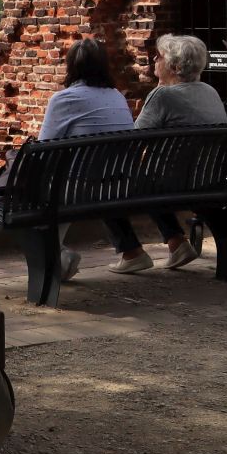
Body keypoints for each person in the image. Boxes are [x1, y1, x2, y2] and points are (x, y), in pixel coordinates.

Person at [104, 34, 223, 272]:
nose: (154, 60)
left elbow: (133, 142)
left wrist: (157, 92)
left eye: (158, 56)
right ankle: (176, 244)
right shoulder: (209, 91)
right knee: (152, 175)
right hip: (208, 182)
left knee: (106, 183)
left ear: (175, 67)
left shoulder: (163, 96)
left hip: (172, 186)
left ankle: (132, 252)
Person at [35, 38, 136, 281]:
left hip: (79, 189)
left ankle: (59, 259)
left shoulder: (64, 99)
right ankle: (59, 258)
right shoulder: (117, 97)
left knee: (41, 193)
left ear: (71, 66)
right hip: (118, 186)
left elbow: (42, 151)